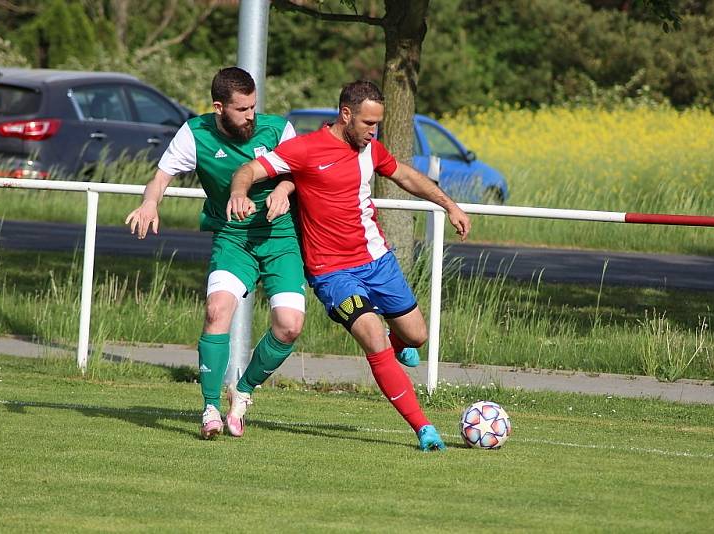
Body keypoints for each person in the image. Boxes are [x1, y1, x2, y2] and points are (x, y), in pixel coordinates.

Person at [228, 80, 471, 451]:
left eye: (378, 124)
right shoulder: (306, 148)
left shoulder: (370, 149)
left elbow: (405, 175)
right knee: (373, 337)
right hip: (332, 273)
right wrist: (239, 192)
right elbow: (250, 169)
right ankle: (424, 428)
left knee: (416, 336)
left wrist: (449, 205)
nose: (373, 132)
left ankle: (397, 344)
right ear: (346, 114)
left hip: (378, 261)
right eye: (368, 124)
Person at [125, 67, 306, 440]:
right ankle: (209, 407)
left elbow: (299, 173)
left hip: (279, 238)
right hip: (232, 239)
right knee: (216, 310)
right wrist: (149, 204)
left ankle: (242, 392)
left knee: (289, 326)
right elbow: (161, 177)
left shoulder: (278, 129)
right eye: (242, 109)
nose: (251, 115)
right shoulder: (195, 133)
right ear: (219, 107)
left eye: (254, 106)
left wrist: (284, 190)